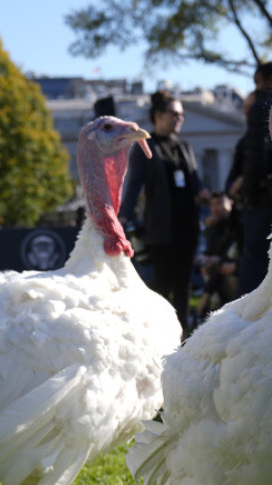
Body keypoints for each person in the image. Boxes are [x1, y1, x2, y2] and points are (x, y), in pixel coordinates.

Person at [121, 90, 209, 331]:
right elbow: (134, 185)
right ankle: (158, 334)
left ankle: (182, 336)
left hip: (186, 228)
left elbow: (195, 180)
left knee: (184, 286)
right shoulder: (145, 146)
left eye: (181, 115)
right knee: (162, 285)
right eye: (174, 114)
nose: (179, 118)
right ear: (158, 115)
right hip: (161, 230)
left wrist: (203, 192)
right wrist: (123, 217)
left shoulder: (184, 146)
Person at [232, 62, 272, 297]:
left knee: (253, 264)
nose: (255, 90)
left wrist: (248, 193)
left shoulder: (261, 105)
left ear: (270, 79)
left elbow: (256, 153)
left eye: (258, 82)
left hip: (262, 200)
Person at [196, 191, 242, 319]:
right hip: (221, 269)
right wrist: (210, 230)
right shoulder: (216, 225)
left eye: (220, 204)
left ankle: (206, 304)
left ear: (230, 204)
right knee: (207, 266)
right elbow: (214, 251)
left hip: (237, 269)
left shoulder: (239, 222)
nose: (215, 209)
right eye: (213, 205)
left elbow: (229, 251)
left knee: (216, 265)